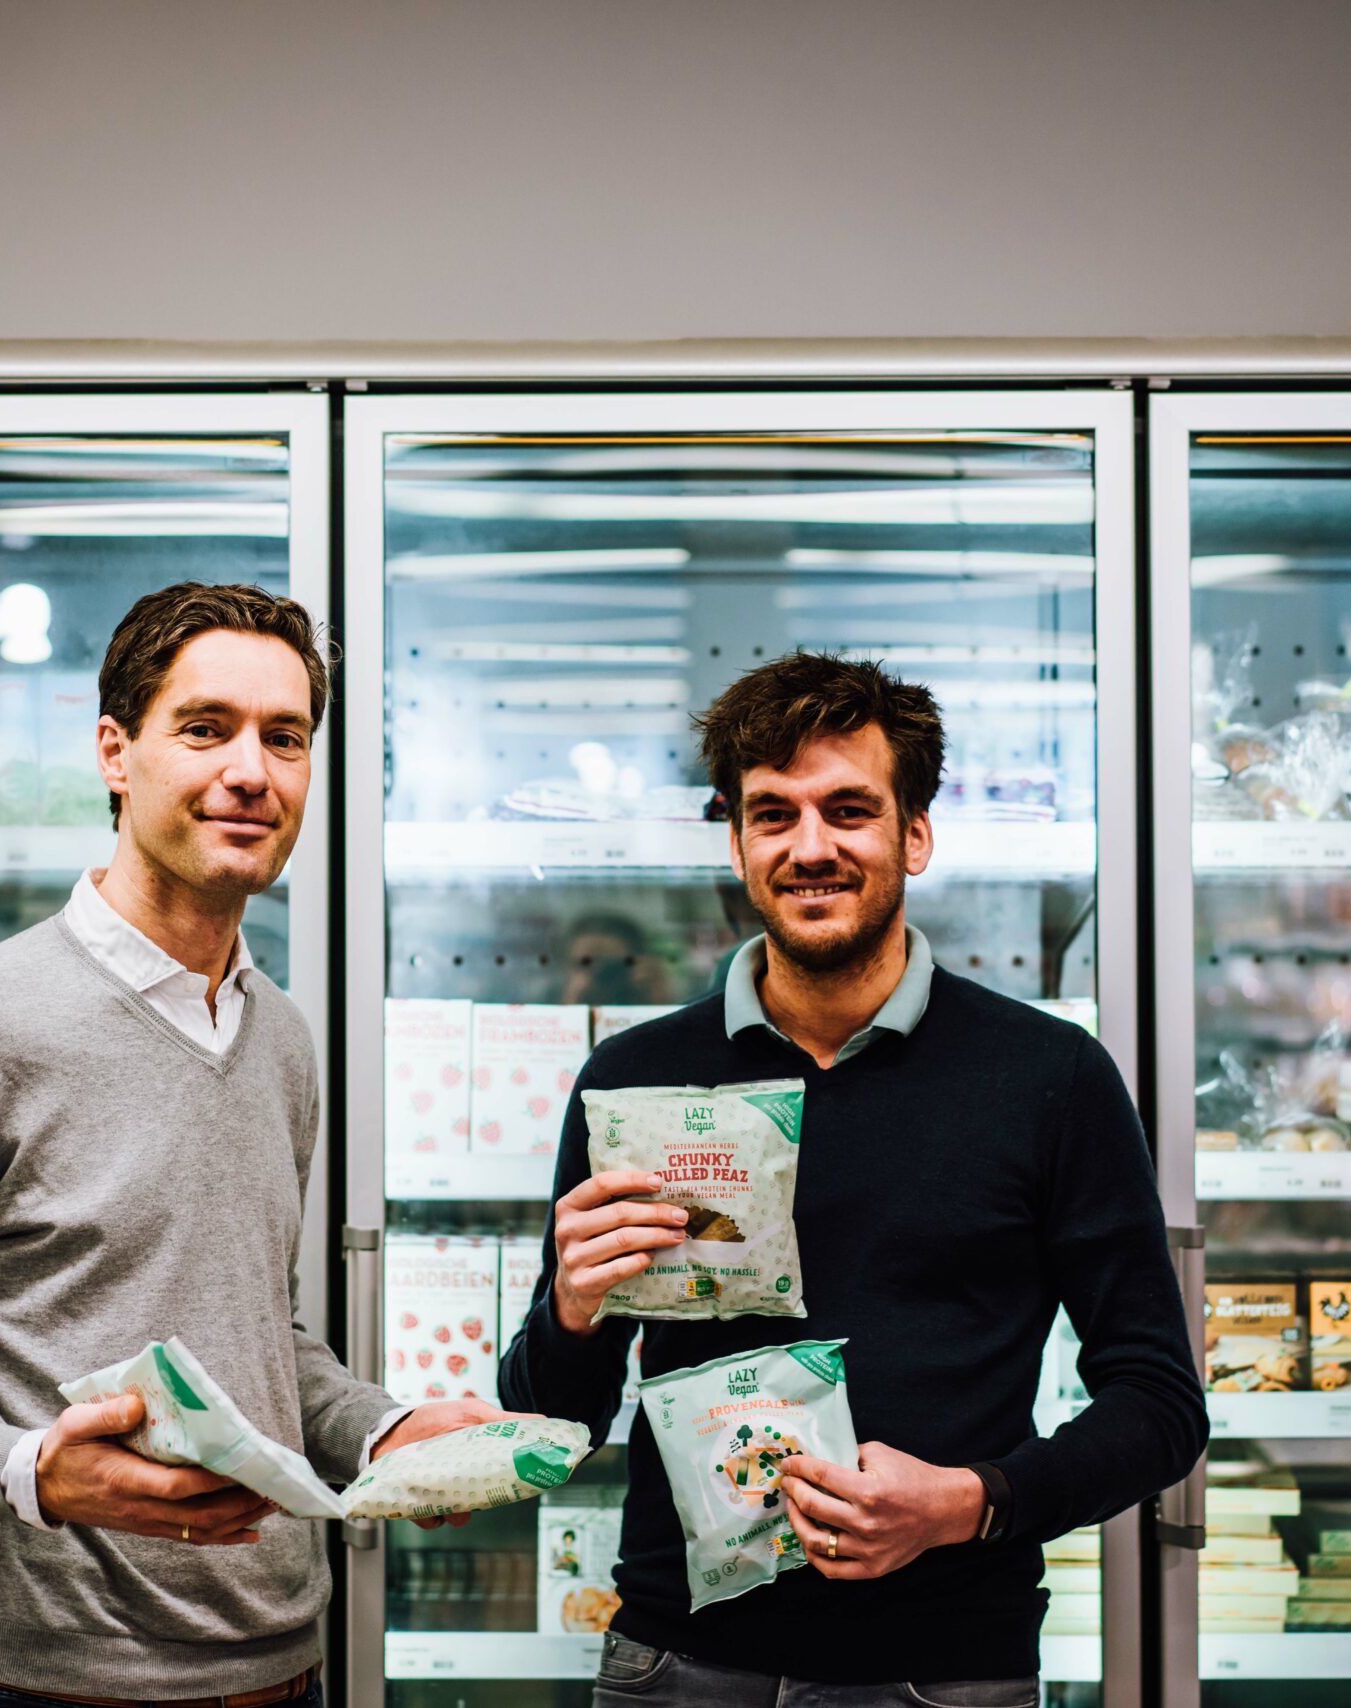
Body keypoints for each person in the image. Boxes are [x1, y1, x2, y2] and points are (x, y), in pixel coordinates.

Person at [0, 582, 508, 1708]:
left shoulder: (278, 1037)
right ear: (116, 753)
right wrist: (32, 1471)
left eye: (285, 738)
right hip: (37, 1691)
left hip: (282, 1672)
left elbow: (255, 1335)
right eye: (205, 729)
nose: (251, 772)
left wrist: (385, 1428)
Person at [499, 652, 1208, 1704]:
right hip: (676, 1666)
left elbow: (1159, 1405)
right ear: (737, 844)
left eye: (848, 810)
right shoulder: (634, 1080)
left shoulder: (1049, 1076)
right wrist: (571, 1309)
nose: (810, 847)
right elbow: (550, 1422)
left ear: (914, 834)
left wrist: (969, 1502)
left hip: (945, 1672)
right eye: (772, 815)